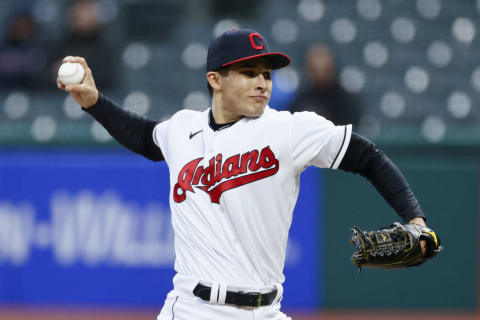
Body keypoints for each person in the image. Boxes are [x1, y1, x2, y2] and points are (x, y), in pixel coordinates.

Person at [57, 29, 428, 320]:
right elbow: (143, 136)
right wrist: (94, 103)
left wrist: (415, 219)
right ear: (216, 80)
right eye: (249, 72)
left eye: (267, 74)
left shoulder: (289, 130)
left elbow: (367, 157)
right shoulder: (182, 129)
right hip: (191, 309)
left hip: (265, 311)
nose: (263, 82)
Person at [290, 44, 362, 126]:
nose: (320, 71)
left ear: (332, 66)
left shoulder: (347, 102)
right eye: (314, 69)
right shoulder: (301, 102)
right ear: (308, 70)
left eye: (325, 69)